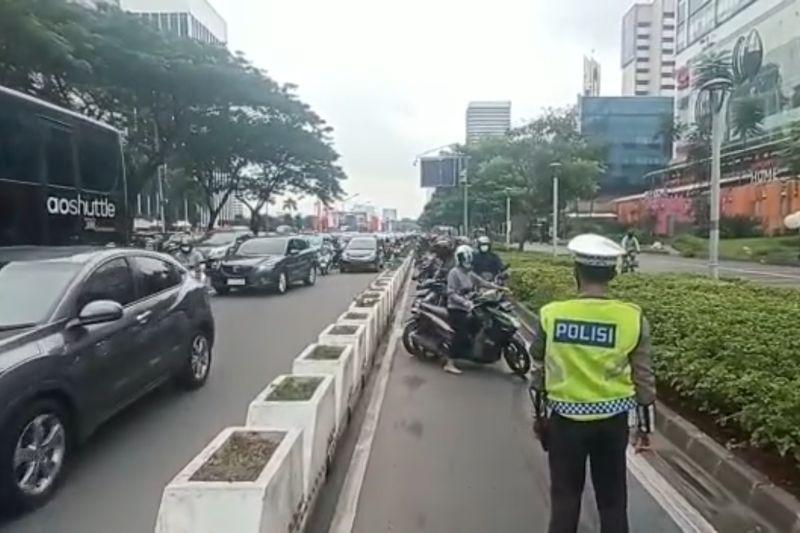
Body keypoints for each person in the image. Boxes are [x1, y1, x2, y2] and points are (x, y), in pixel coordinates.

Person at [529, 233, 655, 533]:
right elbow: (644, 378)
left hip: (565, 423)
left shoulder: (552, 314)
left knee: (565, 499)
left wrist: (539, 412)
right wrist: (645, 428)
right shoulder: (632, 317)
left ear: (577, 272)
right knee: (612, 501)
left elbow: (538, 363)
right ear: (613, 273)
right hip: (612, 424)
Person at [445, 244, 506, 375]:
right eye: (464, 260)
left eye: (468, 260)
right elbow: (451, 293)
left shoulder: (469, 272)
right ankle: (449, 362)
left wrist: (497, 287)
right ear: (459, 260)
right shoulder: (454, 273)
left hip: (470, 306)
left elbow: (481, 282)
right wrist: (465, 303)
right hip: (456, 309)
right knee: (461, 333)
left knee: (480, 325)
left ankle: (472, 352)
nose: (467, 262)